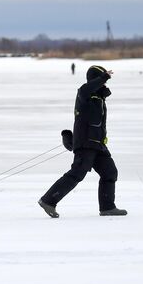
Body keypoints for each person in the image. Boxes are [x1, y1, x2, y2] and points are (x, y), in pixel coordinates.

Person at [38, 65, 127, 218]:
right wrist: (103, 77)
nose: (105, 83)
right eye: (101, 79)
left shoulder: (99, 97)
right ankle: (48, 201)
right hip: (86, 144)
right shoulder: (84, 93)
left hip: (98, 144)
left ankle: (107, 207)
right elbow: (87, 88)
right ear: (95, 79)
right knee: (77, 174)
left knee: (110, 172)